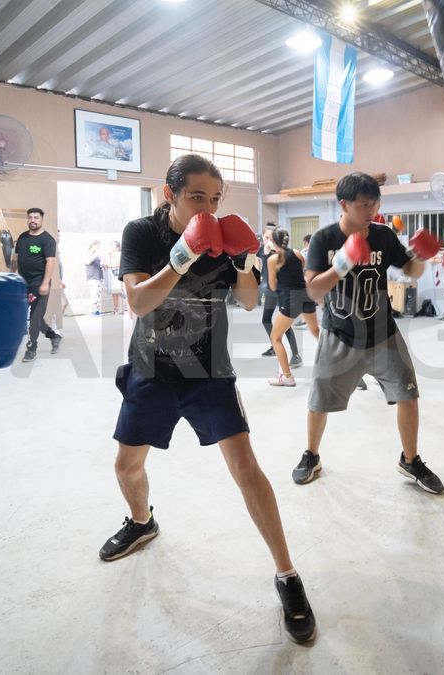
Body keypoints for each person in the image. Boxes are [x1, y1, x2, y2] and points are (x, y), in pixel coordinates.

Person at [99, 154, 316, 644]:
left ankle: (287, 573)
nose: (209, 208)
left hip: (209, 373)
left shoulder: (224, 236)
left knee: (246, 468)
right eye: (198, 196)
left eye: (216, 199)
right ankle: (142, 522)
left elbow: (245, 300)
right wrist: (184, 255)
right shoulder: (141, 233)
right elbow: (137, 302)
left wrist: (241, 262)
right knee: (126, 467)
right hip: (151, 369)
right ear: (168, 193)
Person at [291, 172, 444, 493]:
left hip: (382, 333)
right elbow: (313, 290)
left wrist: (421, 256)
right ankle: (312, 455)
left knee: (408, 394)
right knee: (319, 401)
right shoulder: (324, 239)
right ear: (343, 204)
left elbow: (410, 271)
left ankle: (410, 459)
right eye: (363, 205)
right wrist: (342, 263)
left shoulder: (384, 236)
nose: (371, 210)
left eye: (375, 203)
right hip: (339, 334)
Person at [265, 228, 320, 387]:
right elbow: (302, 272)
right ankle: (337, 362)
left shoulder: (272, 259)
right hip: (306, 295)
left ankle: (287, 376)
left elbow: (273, 286)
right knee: (316, 331)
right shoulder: (297, 253)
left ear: (273, 241)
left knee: (275, 337)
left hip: (290, 300)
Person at [11, 207, 61, 362]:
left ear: (41, 219)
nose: (32, 220)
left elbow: (50, 262)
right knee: (36, 318)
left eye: (36, 218)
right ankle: (53, 336)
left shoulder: (48, 240)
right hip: (23, 282)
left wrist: (45, 283)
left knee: (34, 317)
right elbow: (15, 258)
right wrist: (11, 274)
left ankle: (31, 349)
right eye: (30, 217)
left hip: (39, 283)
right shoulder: (23, 237)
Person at [257, 224, 301, 365]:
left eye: (271, 237)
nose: (268, 240)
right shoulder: (262, 251)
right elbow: (261, 268)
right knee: (266, 320)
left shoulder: (278, 253)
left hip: (281, 291)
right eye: (266, 237)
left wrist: (270, 252)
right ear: (263, 237)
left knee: (285, 325)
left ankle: (295, 354)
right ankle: (275, 345)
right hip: (270, 292)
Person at [85, 240, 105, 315]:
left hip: (99, 276)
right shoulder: (88, 253)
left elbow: (101, 264)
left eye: (99, 246)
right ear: (92, 245)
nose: (98, 247)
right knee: (94, 294)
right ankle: (91, 311)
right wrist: (96, 254)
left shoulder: (98, 255)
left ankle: (96, 310)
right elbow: (87, 262)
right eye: (97, 245)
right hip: (92, 277)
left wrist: (102, 263)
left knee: (98, 295)